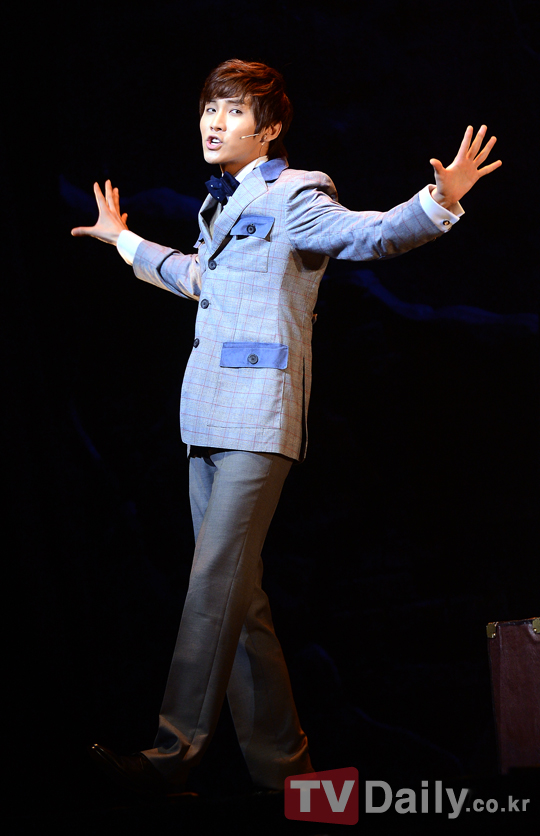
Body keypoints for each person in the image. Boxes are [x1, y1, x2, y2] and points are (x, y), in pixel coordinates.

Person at [71, 59, 501, 796]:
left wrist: (440, 199)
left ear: (269, 130)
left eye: (235, 111)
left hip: (259, 418)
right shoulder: (219, 205)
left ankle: (172, 756)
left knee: (213, 582)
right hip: (205, 414)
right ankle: (286, 775)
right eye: (211, 107)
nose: (215, 121)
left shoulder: (297, 192)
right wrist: (124, 242)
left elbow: (370, 235)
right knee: (240, 600)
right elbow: (199, 279)